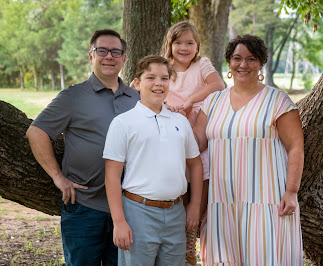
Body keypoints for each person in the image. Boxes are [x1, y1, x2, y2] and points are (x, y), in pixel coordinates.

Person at [26, 29, 140, 265]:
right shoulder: (73, 96)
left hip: (128, 208)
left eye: (115, 51)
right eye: (102, 51)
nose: (109, 56)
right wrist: (58, 177)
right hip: (84, 207)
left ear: (124, 58)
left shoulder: (136, 99)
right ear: (91, 56)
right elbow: (36, 132)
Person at [193, 34, 304, 265]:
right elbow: (196, 142)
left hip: (267, 199)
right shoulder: (213, 102)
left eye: (251, 59)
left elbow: (295, 147)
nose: (243, 65)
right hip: (223, 200)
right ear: (229, 63)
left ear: (261, 63)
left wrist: (292, 191)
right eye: (237, 58)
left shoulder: (278, 101)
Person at [103, 55, 203, 266]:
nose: (158, 83)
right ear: (137, 83)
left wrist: (194, 205)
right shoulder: (123, 123)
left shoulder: (180, 122)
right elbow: (111, 176)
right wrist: (119, 221)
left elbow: (195, 164)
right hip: (138, 212)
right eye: (151, 78)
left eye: (164, 78)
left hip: (176, 212)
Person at [161, 21, 225, 265]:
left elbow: (218, 85)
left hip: (198, 126)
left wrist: (189, 100)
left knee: (201, 188)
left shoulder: (202, 64)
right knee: (180, 192)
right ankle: (180, 249)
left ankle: (192, 246)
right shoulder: (165, 66)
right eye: (178, 43)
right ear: (170, 45)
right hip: (171, 128)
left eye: (190, 43)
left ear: (197, 46)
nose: (184, 48)